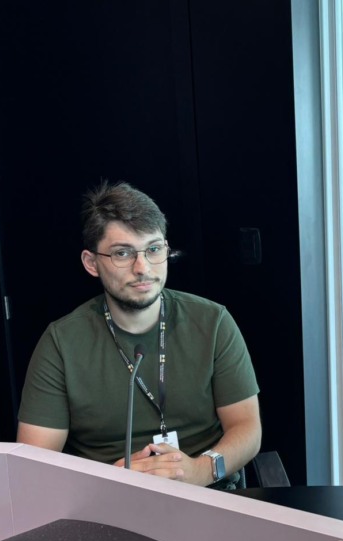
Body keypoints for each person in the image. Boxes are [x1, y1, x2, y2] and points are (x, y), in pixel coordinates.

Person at [17, 182, 261, 489]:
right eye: (123, 253)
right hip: (104, 500)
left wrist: (201, 470)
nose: (142, 267)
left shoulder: (213, 322)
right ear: (92, 263)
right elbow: (34, 464)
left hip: (208, 492)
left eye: (153, 249)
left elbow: (247, 429)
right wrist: (108, 481)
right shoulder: (61, 343)